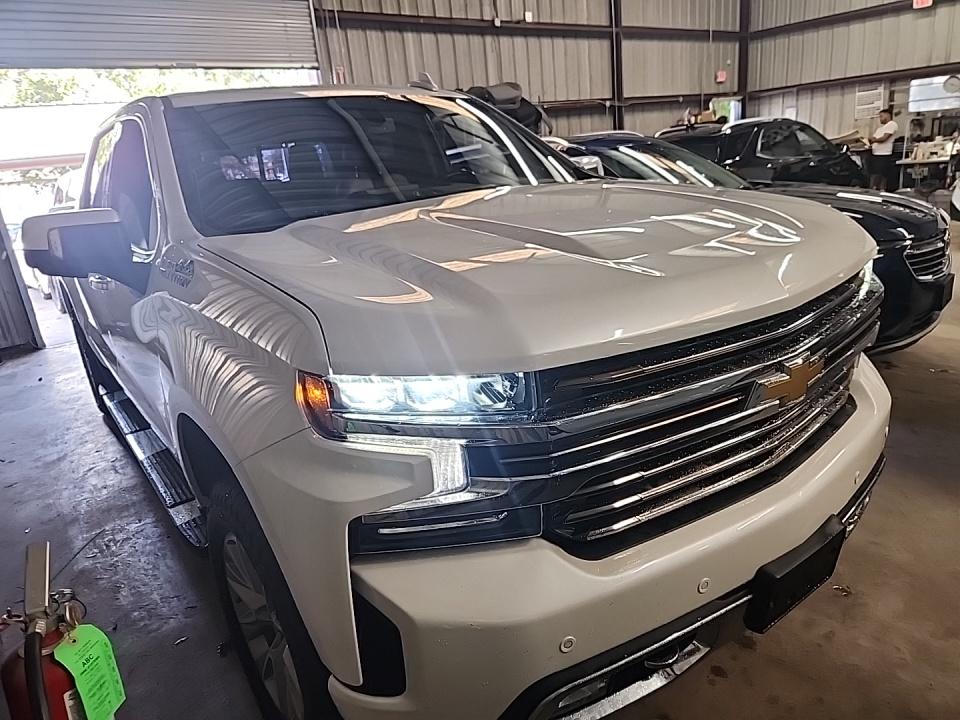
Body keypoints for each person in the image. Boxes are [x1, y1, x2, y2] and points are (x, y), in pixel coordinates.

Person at [867, 107, 899, 191]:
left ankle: (881, 190)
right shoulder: (880, 129)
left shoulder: (892, 124)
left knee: (881, 174)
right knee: (874, 173)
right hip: (875, 154)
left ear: (887, 115)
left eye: (881, 116)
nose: (880, 119)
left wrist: (874, 140)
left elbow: (884, 138)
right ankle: (873, 189)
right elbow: (874, 138)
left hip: (884, 154)